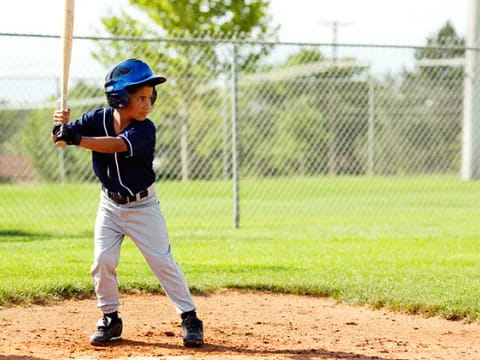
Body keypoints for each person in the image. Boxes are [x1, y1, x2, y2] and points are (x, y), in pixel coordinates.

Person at [51, 58, 204, 348]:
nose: (147, 104)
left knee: (162, 262)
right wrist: (60, 128)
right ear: (119, 98)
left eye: (149, 98)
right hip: (109, 206)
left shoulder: (146, 129)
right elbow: (60, 141)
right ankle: (110, 318)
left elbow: (117, 145)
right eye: (140, 98)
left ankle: (190, 317)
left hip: (143, 207)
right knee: (102, 262)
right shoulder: (97, 118)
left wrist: (76, 137)